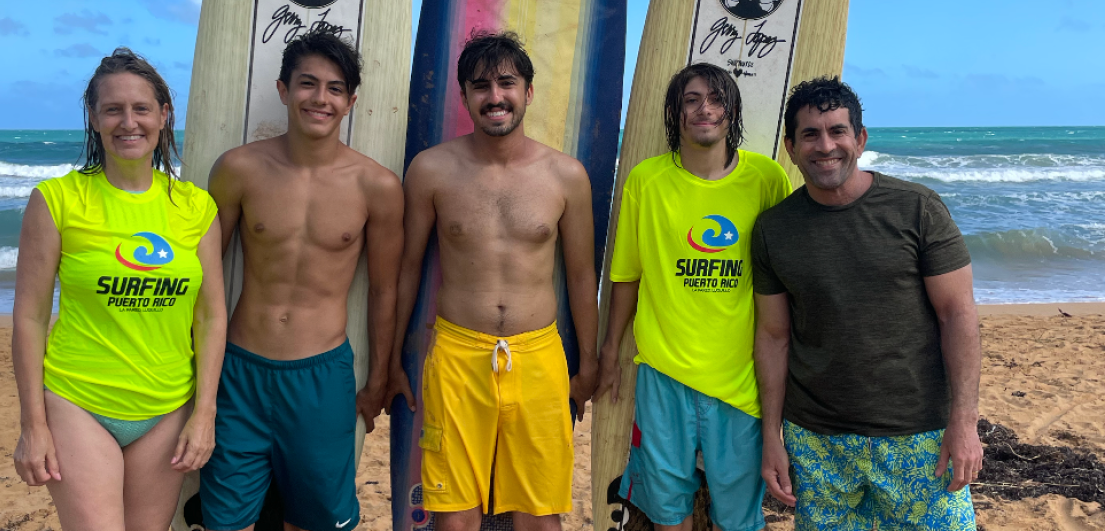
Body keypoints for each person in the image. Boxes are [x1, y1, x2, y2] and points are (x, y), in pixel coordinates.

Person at [384, 31, 599, 531]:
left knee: (539, 517)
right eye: (480, 86)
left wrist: (587, 362)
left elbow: (582, 273)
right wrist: (393, 358)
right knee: (454, 518)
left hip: (539, 357)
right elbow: (408, 270)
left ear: (528, 91)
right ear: (463, 96)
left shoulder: (566, 175)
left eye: (507, 82)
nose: (495, 96)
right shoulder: (431, 170)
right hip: (458, 357)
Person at [11, 48, 228, 531]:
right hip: (78, 401)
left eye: (141, 108)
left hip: (167, 407)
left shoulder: (196, 208)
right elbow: (28, 317)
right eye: (112, 109)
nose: (128, 122)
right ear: (94, 118)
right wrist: (33, 424)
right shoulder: (57, 200)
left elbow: (210, 317)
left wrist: (204, 413)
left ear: (164, 115)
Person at [752, 77, 981, 531]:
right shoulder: (773, 230)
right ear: (791, 147)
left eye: (837, 131)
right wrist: (771, 437)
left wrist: (965, 422)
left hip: (919, 434)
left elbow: (958, 316)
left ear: (860, 139)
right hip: (817, 439)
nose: (825, 146)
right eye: (810, 135)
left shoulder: (917, 208)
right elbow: (773, 336)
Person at [201, 31, 404, 531]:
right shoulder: (239, 169)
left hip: (321, 376)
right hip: (240, 370)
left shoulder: (376, 186)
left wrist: (379, 376)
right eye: (308, 84)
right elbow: (201, 276)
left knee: (315, 522)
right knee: (225, 520)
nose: (320, 98)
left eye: (335, 89)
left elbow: (384, 290)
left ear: (351, 102)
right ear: (283, 89)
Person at [596, 63, 791, 531]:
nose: (705, 109)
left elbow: (787, 278)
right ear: (675, 113)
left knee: (739, 520)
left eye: (717, 99)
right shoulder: (646, 181)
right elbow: (626, 275)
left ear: (732, 111)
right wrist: (609, 350)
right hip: (663, 375)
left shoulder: (766, 179)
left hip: (741, 383)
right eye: (691, 100)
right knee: (668, 513)